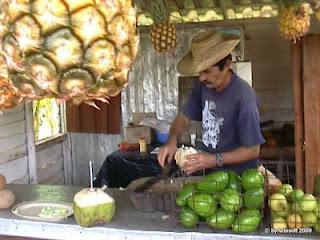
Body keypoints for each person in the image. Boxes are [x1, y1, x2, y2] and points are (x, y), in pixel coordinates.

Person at [158, 29, 265, 175]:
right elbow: (183, 117)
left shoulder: (244, 98)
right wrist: (172, 140)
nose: (201, 78)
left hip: (238, 178)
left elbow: (253, 150)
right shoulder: (203, 86)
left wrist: (214, 160)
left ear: (227, 65)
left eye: (207, 72)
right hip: (210, 173)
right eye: (200, 72)